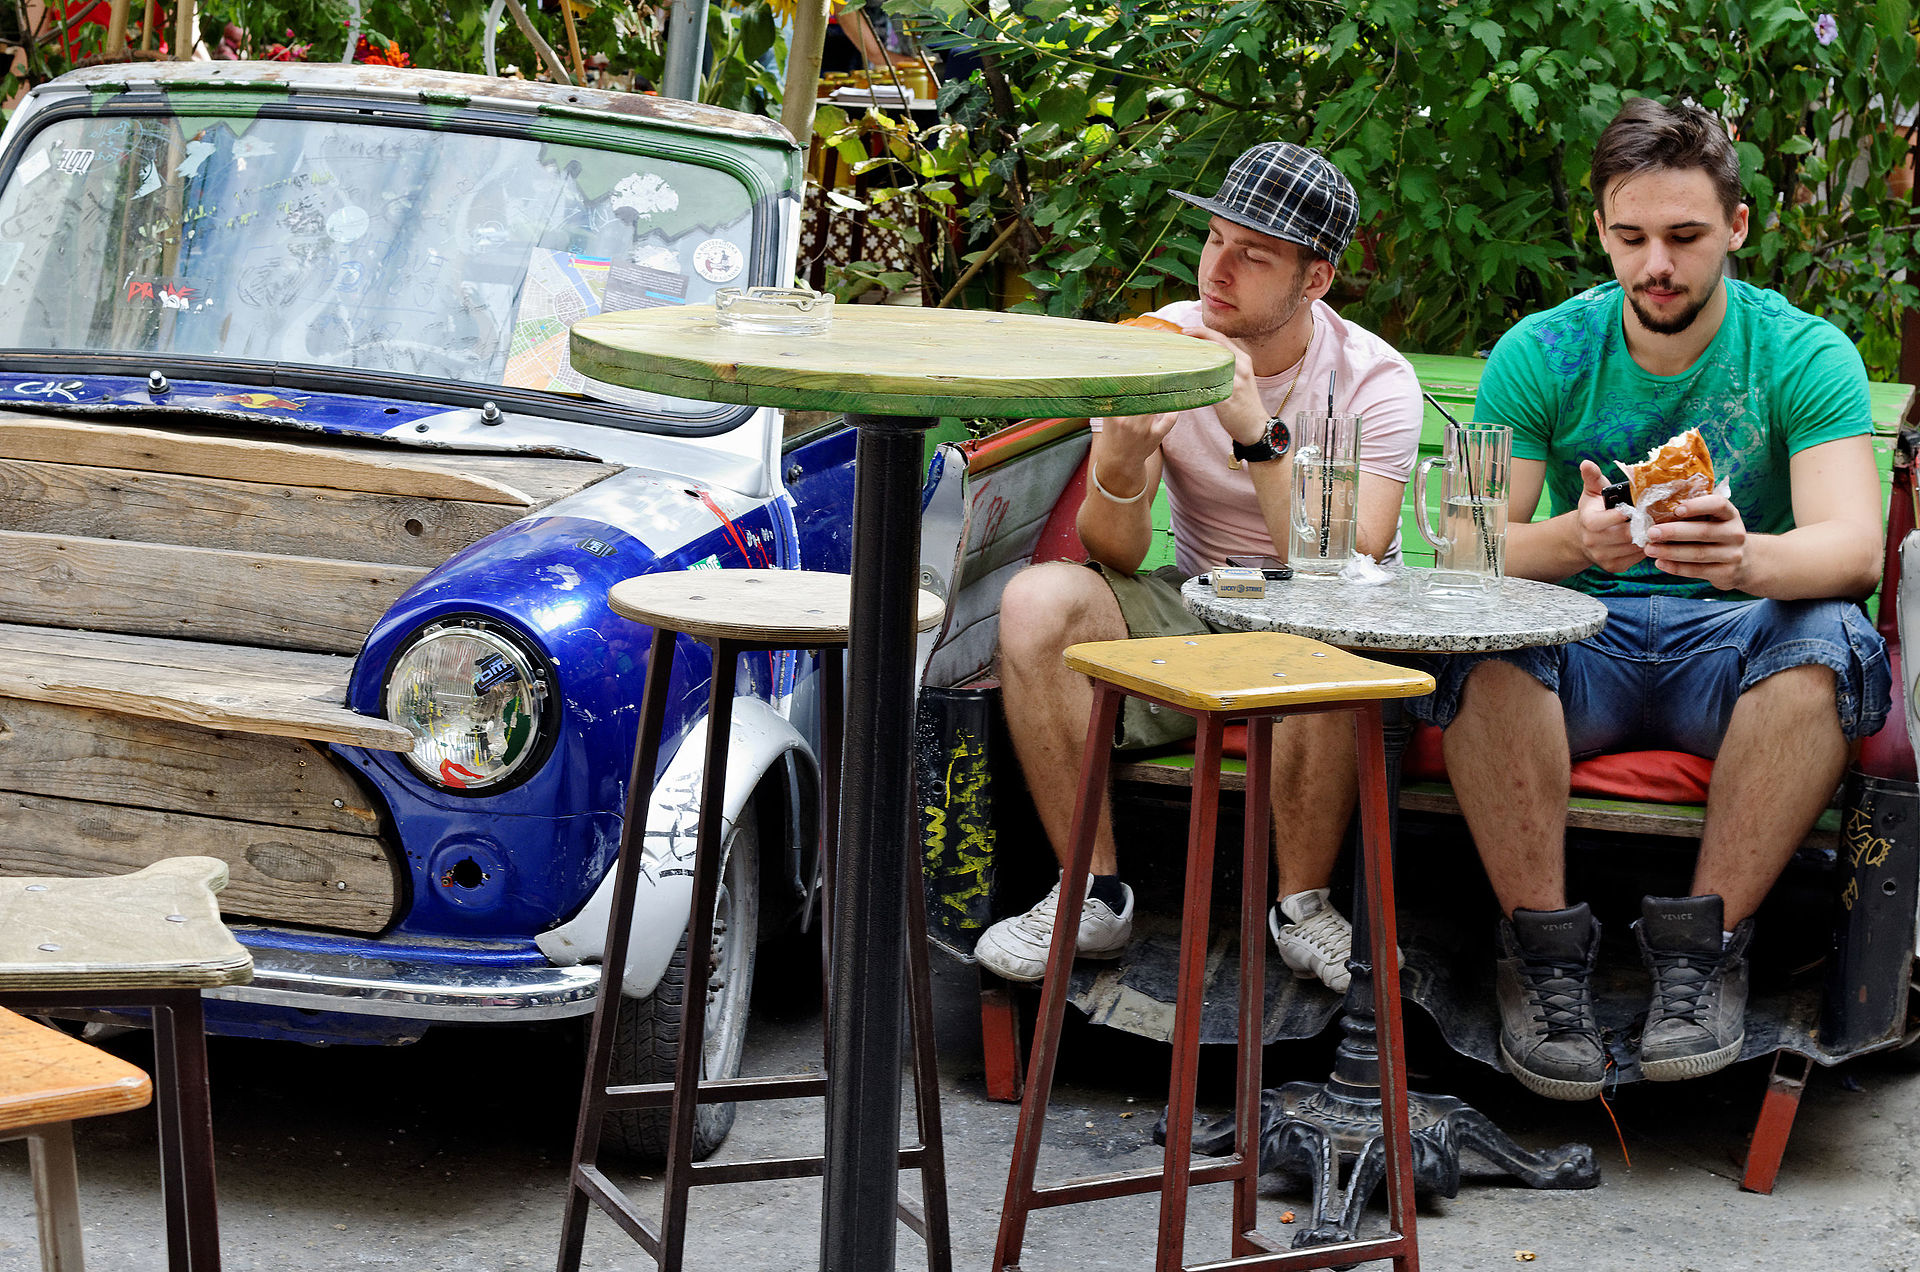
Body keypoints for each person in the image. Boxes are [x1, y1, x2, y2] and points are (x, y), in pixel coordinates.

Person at [1414, 97, 1890, 1100]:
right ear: (1600, 229)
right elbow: (1460, 550)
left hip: (1737, 646)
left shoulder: (1801, 354)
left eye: (1684, 237)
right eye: (1630, 238)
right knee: (1477, 639)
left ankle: (1703, 956)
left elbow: (1851, 550)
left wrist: (1745, 560)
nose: (1656, 266)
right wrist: (1570, 540)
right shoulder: (1541, 351)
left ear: (1739, 226)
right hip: (1578, 641)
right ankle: (1541, 960)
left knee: (1834, 641)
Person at [972, 142, 1424, 991]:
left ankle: (1302, 908)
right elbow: (1120, 554)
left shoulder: (1374, 379)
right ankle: (1091, 894)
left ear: (1315, 280)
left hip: (1318, 616)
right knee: (1037, 601)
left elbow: (1350, 559)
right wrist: (1117, 461)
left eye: (1255, 254)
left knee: (1334, 633)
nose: (1220, 267)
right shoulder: (1163, 347)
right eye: (1216, 238)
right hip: (1203, 604)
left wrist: (1256, 433)